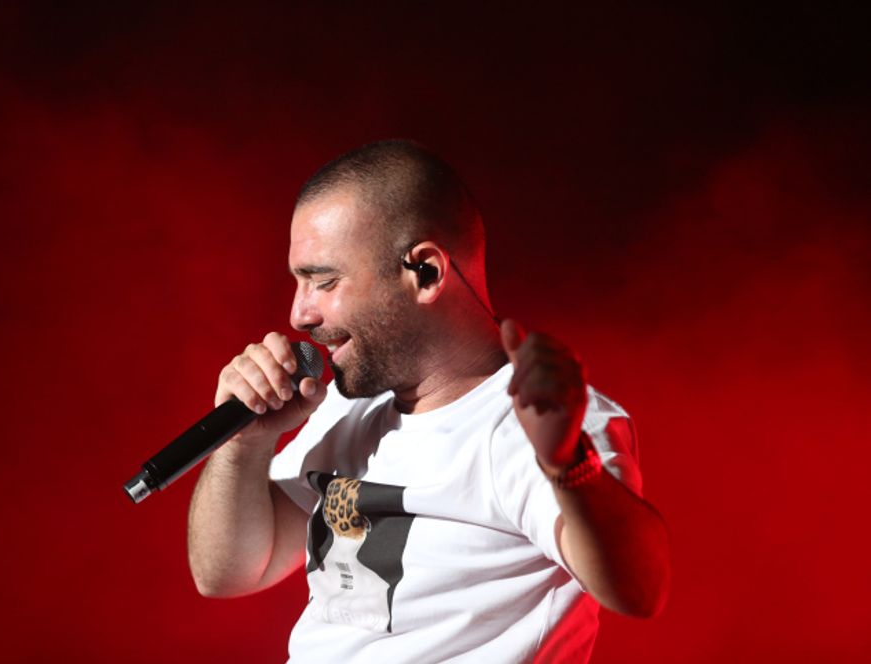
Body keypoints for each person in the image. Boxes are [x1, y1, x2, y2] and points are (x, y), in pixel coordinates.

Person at [187, 140, 670, 662]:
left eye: (324, 281)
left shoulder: (531, 427)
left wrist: (569, 464)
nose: (300, 314)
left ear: (427, 273)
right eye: (300, 282)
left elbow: (638, 592)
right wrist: (243, 445)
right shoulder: (351, 405)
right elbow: (229, 572)